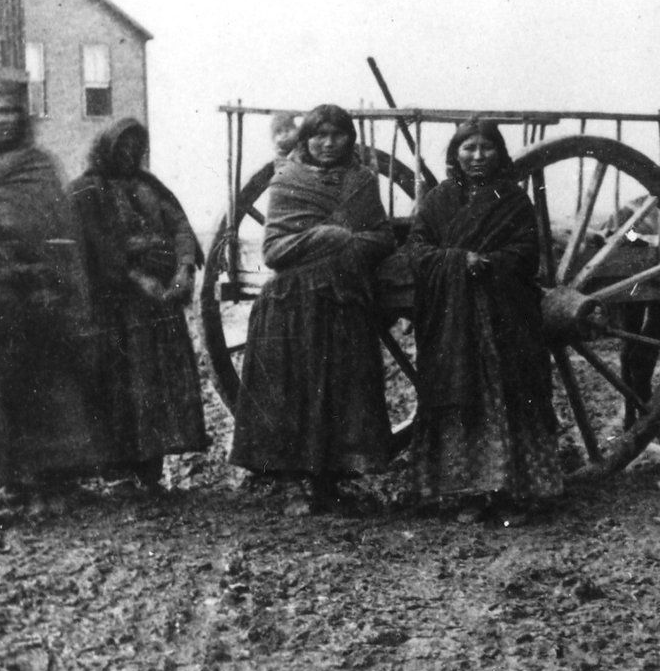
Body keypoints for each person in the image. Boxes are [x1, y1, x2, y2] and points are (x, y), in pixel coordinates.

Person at [0, 83, 101, 521]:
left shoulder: (41, 165)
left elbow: (59, 228)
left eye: (12, 112)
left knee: (38, 389)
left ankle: (35, 482)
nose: (3, 120)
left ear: (24, 118)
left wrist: (52, 281)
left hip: (34, 296)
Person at [230, 104, 395, 513]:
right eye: (319, 135)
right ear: (306, 139)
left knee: (341, 393)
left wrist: (347, 242)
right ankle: (295, 485)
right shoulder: (288, 180)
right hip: (293, 304)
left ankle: (331, 483)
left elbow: (381, 236)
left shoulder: (362, 181)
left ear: (350, 139)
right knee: (293, 392)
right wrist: (330, 236)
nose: (328, 143)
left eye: (337, 135)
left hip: (342, 303)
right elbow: (274, 250)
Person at [400, 117, 563, 525]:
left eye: (485, 148)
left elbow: (527, 250)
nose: (477, 156)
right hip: (453, 321)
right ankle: (464, 496)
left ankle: (512, 492)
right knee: (458, 396)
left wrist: (488, 263)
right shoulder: (437, 201)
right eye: (468, 148)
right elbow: (418, 249)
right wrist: (457, 261)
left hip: (505, 318)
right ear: (455, 154)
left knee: (510, 395)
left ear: (500, 153)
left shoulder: (513, 199)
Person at [69, 119, 207, 493]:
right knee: (118, 386)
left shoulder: (150, 187)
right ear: (106, 148)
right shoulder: (85, 192)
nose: (129, 154)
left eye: (136, 147)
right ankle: (116, 472)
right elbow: (95, 249)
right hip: (114, 310)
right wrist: (134, 275)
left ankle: (150, 469)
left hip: (158, 308)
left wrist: (182, 270)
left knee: (155, 384)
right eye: (122, 147)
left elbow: (179, 227)